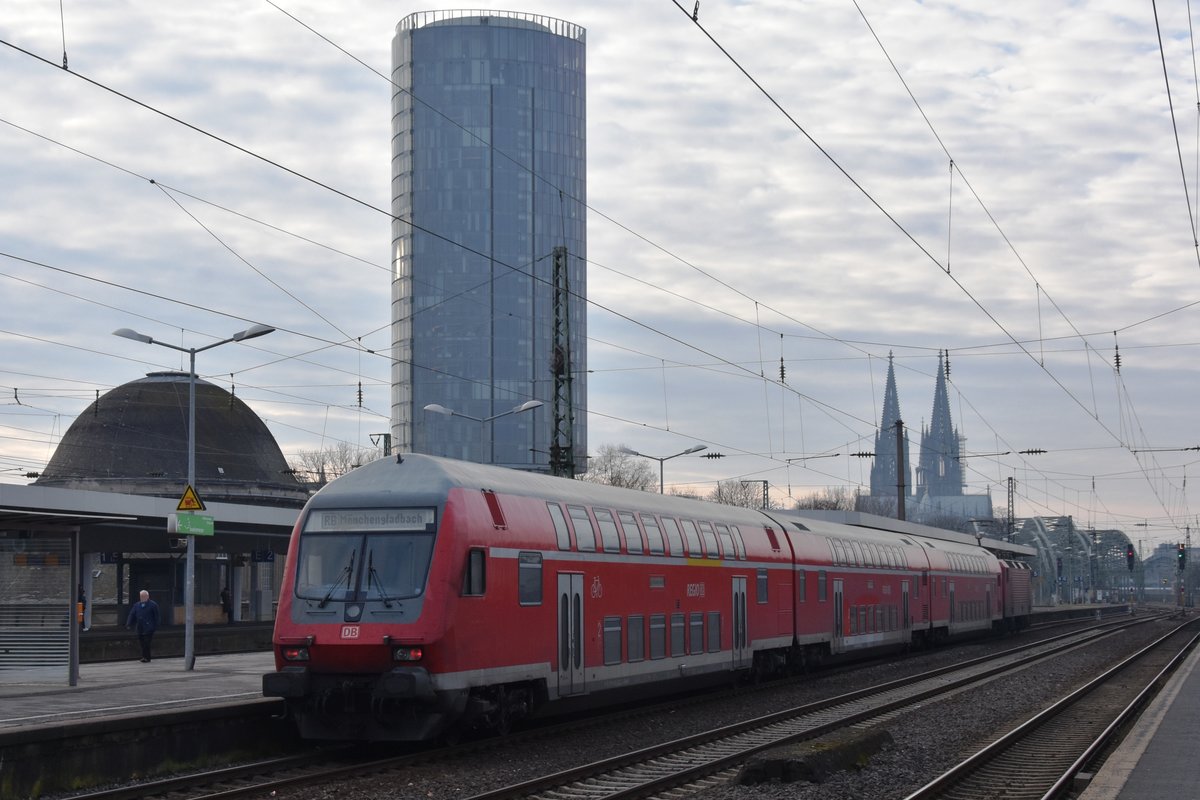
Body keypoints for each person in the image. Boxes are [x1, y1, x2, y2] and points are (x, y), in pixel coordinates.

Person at [125, 589, 160, 663]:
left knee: (147, 643)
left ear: (147, 596)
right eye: (141, 596)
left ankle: (147, 657)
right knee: (142, 643)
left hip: (149, 627)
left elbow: (157, 617)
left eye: (144, 596)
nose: (142, 597)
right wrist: (128, 623)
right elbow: (132, 614)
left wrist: (155, 626)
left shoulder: (153, 605)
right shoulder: (137, 605)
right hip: (140, 627)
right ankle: (145, 656)